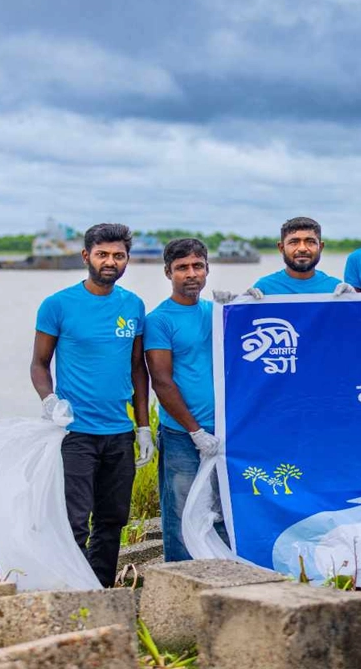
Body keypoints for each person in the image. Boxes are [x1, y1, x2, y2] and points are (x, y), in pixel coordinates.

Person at [31, 223, 149, 587]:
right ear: (87, 256)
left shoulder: (133, 306)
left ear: (127, 259)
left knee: (112, 520)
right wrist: (49, 400)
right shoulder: (58, 305)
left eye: (118, 255)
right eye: (102, 254)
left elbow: (137, 369)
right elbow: (39, 363)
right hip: (76, 433)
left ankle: (99, 588)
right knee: (74, 520)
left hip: (119, 433)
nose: (110, 261)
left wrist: (143, 426)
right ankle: (69, 589)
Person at [144, 238, 225, 562]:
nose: (191, 274)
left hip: (223, 431)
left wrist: (247, 307)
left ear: (207, 269)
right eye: (182, 268)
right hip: (182, 435)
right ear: (168, 272)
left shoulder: (218, 312)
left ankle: (224, 575)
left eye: (197, 266)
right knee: (181, 510)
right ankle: (179, 581)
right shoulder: (160, 320)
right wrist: (194, 431)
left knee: (222, 509)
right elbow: (161, 382)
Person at [250, 217, 353, 295]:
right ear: (281, 248)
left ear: (320, 247)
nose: (302, 248)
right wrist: (242, 303)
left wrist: (353, 300)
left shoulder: (336, 289)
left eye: (310, 242)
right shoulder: (264, 288)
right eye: (294, 242)